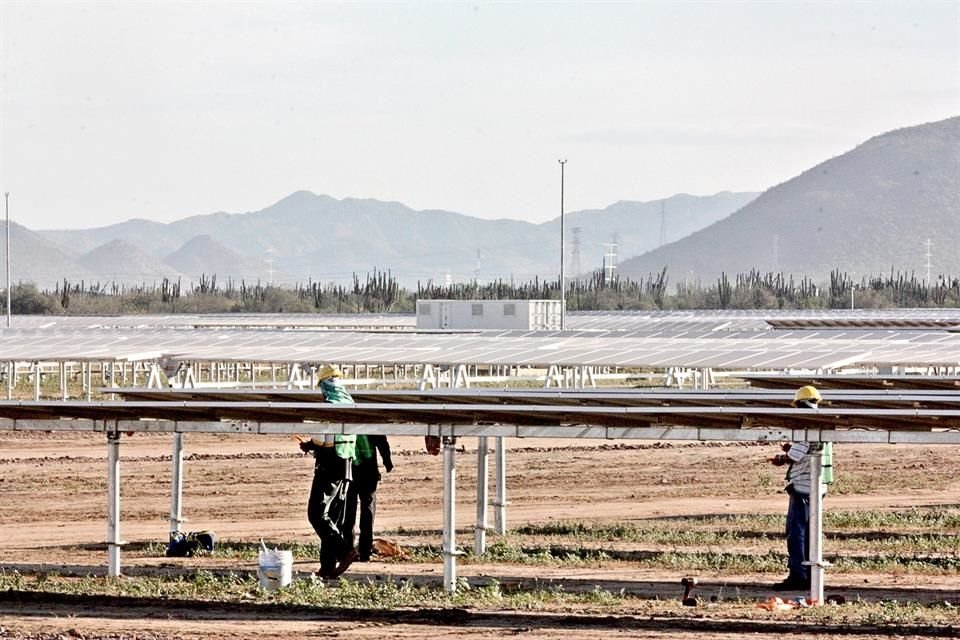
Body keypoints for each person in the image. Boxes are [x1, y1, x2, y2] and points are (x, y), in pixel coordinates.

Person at [769, 385, 833, 591]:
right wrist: (792, 448)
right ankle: (809, 574)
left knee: (796, 533)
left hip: (804, 486)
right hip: (819, 485)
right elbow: (808, 449)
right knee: (810, 533)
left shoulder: (806, 424)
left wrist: (781, 458)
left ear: (798, 404)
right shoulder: (824, 423)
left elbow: (797, 455)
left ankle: (799, 574)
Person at [299, 364, 358, 579]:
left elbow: (322, 438)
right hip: (346, 466)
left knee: (316, 513)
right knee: (332, 516)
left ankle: (344, 551)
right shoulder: (349, 402)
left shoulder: (329, 406)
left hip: (329, 465)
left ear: (323, 385)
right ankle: (327, 567)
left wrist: (310, 444)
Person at [344, 434, 393, 561]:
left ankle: (349, 550)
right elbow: (381, 439)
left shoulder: (346, 419)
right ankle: (364, 552)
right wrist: (387, 460)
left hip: (350, 471)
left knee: (349, 510)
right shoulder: (369, 421)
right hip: (367, 471)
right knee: (367, 511)